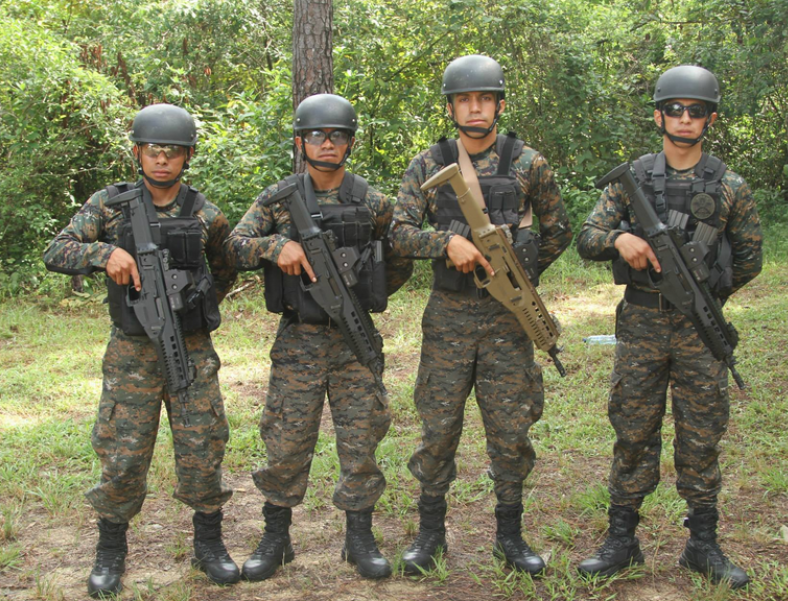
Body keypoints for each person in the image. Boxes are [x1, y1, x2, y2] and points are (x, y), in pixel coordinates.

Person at [575, 65, 762, 589]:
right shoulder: (633, 179)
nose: (684, 118)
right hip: (641, 324)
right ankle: (621, 539)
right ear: (659, 115)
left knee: (701, 435)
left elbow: (749, 259)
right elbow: (587, 236)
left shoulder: (730, 187)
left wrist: (703, 288)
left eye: (696, 110)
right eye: (675, 109)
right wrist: (619, 241)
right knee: (632, 430)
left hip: (698, 330)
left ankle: (702, 543)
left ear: (710, 118)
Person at [43, 104, 240, 597]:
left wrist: (195, 304)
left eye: (173, 152)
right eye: (154, 150)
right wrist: (103, 252)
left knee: (202, 446)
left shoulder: (203, 212)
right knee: (123, 454)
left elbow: (227, 263)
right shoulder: (109, 205)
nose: (163, 160)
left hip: (191, 350)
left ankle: (209, 544)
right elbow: (57, 250)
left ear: (187, 156)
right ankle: (111, 551)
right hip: (132, 352)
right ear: (137, 152)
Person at [391, 54, 573, 577]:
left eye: (484, 99)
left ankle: (510, 536)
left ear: (497, 103)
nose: (475, 108)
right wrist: (446, 242)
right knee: (438, 425)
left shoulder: (527, 163)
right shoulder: (429, 163)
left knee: (511, 426)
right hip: (447, 315)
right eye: (465, 100)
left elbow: (559, 229)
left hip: (507, 319)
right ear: (451, 106)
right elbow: (398, 231)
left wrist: (515, 269)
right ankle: (429, 535)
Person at [225, 93, 412, 581]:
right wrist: (275, 246)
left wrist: (363, 292)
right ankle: (276, 536)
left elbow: (399, 258)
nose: (327, 144)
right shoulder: (278, 197)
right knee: (286, 440)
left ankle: (359, 537)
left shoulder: (372, 201)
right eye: (317, 135)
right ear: (301, 140)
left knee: (361, 438)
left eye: (337, 136)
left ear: (350, 143)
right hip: (300, 340)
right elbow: (233, 247)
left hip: (354, 339)